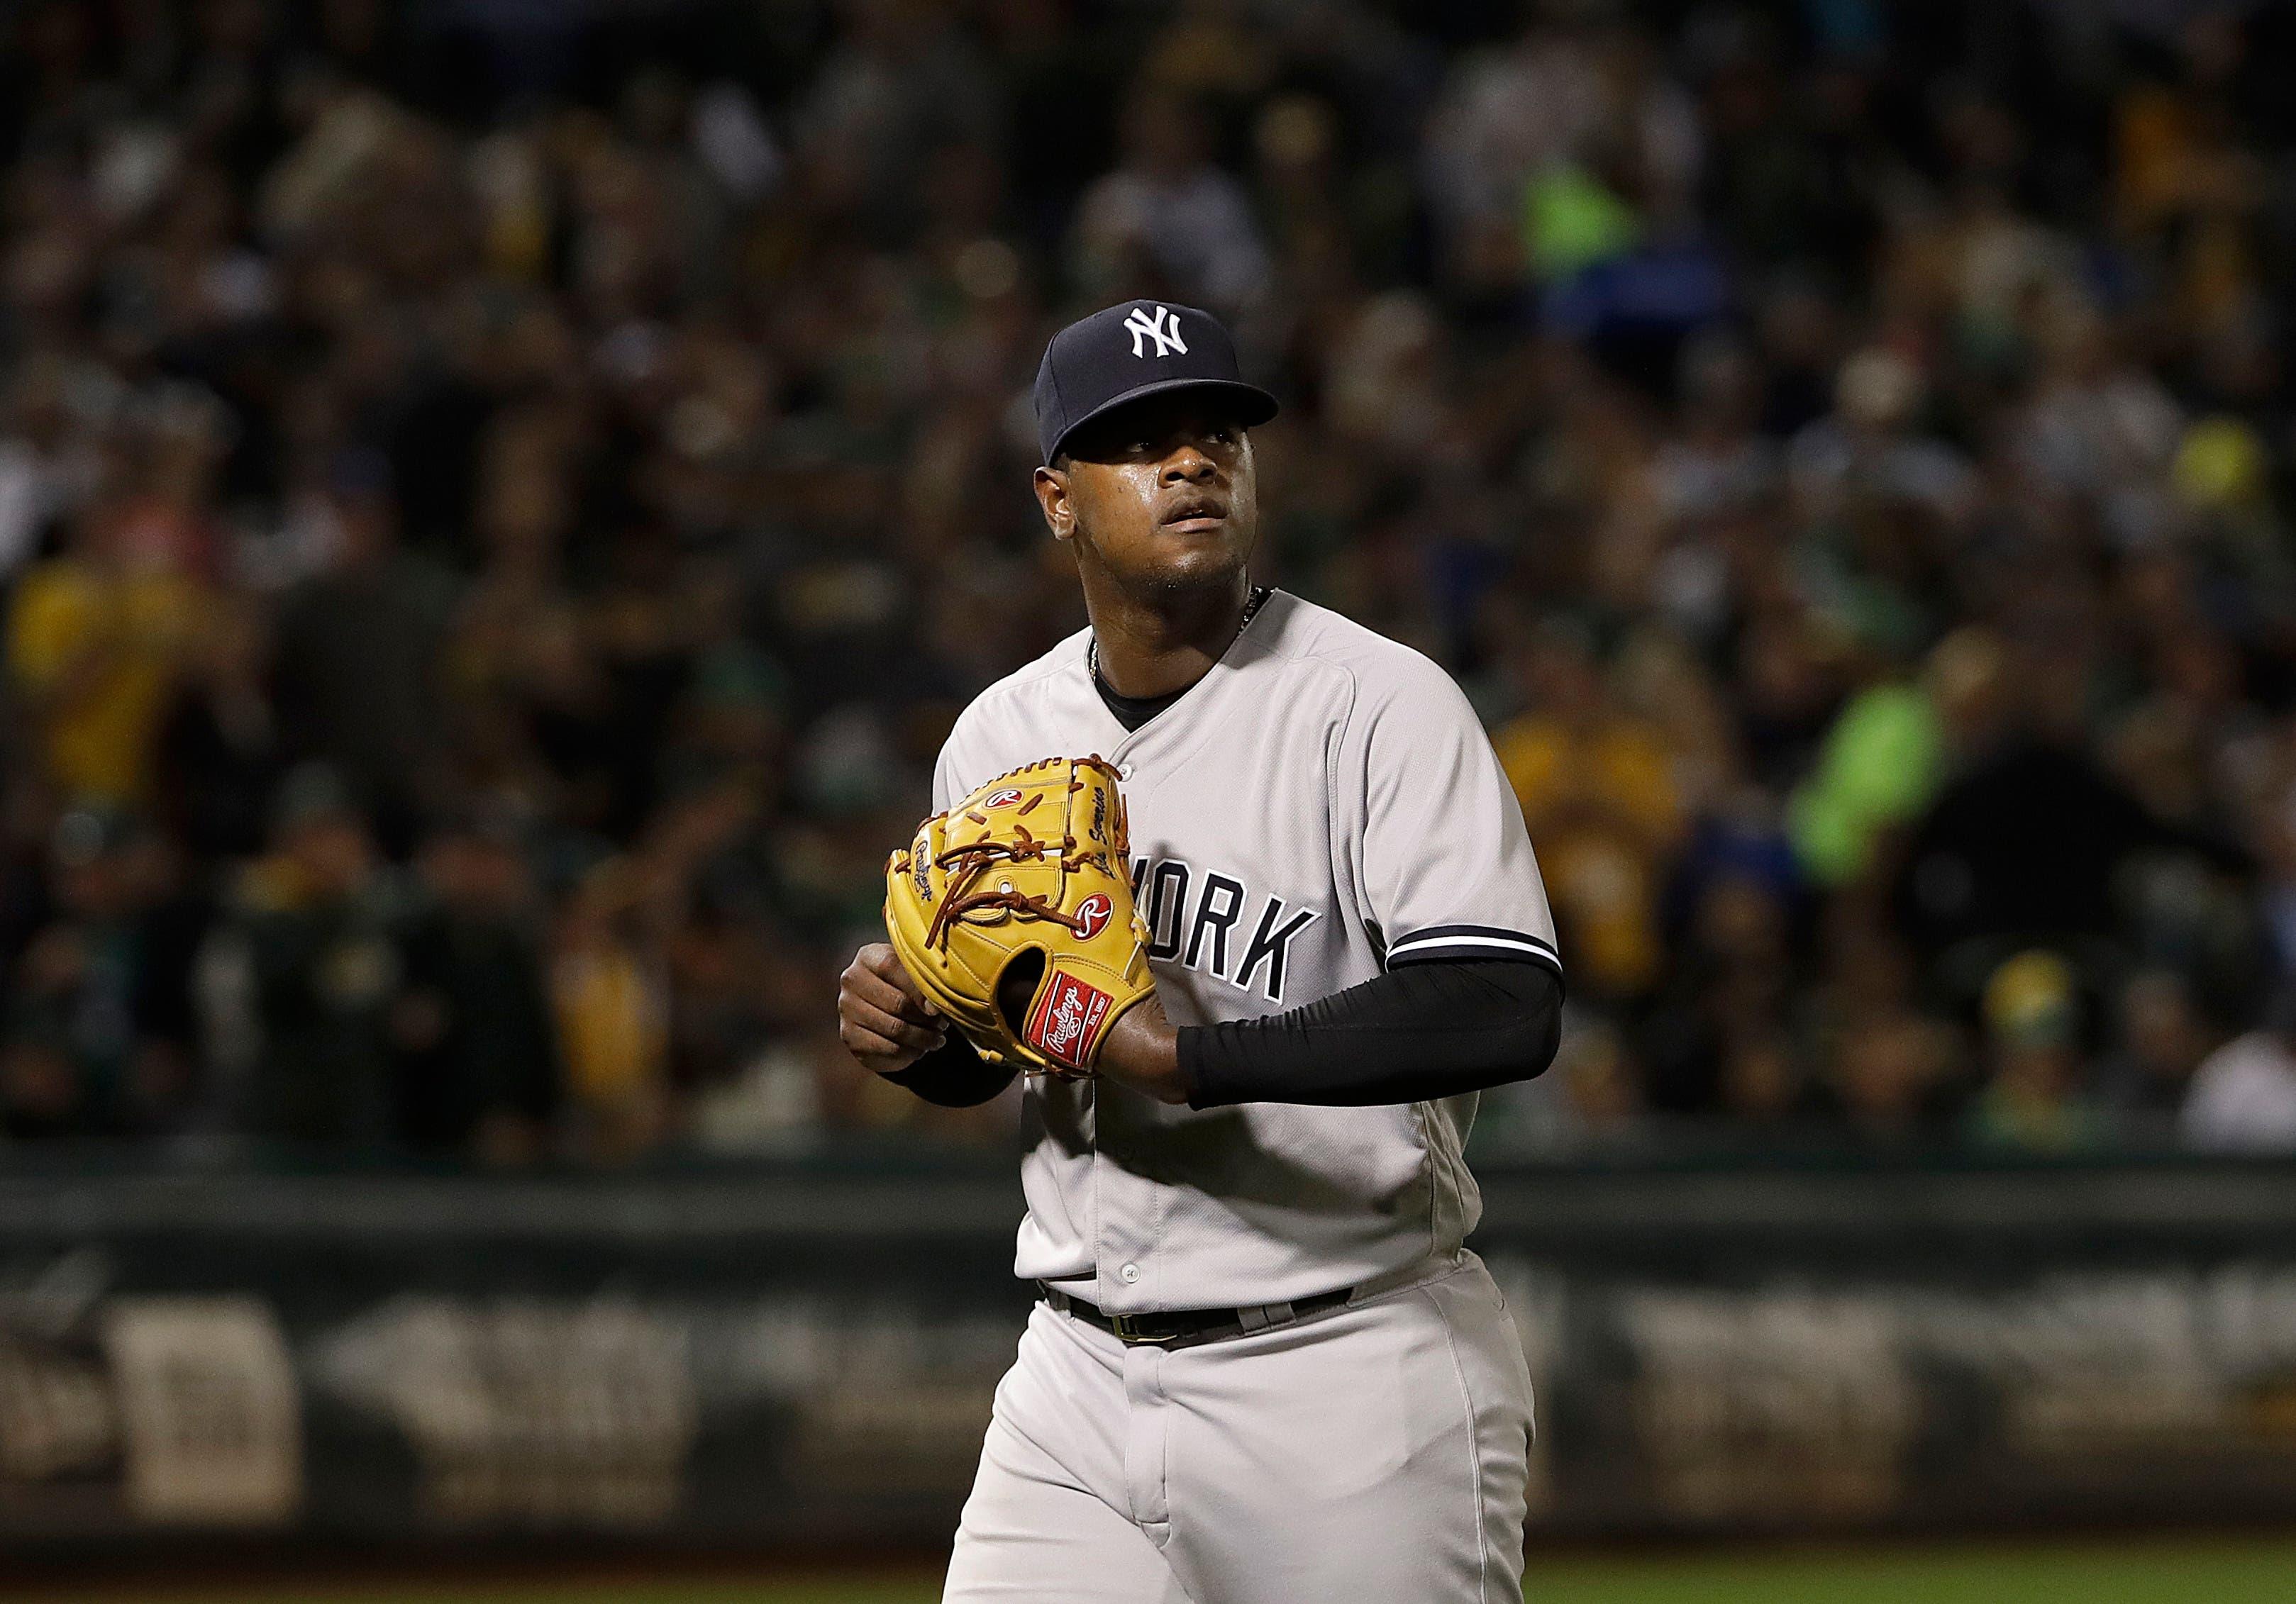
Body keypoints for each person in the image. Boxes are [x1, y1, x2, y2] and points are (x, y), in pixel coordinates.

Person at [838, 301, 1564, 1603]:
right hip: (1074, 1376)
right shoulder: (1001, 731)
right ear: (1058, 499)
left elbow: (1500, 1002)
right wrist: (926, 1039)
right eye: (1139, 441)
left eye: (1213, 431)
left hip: (1346, 1361)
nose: (1189, 461)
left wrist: (1185, 1057)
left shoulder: (1374, 701)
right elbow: (1012, 1054)